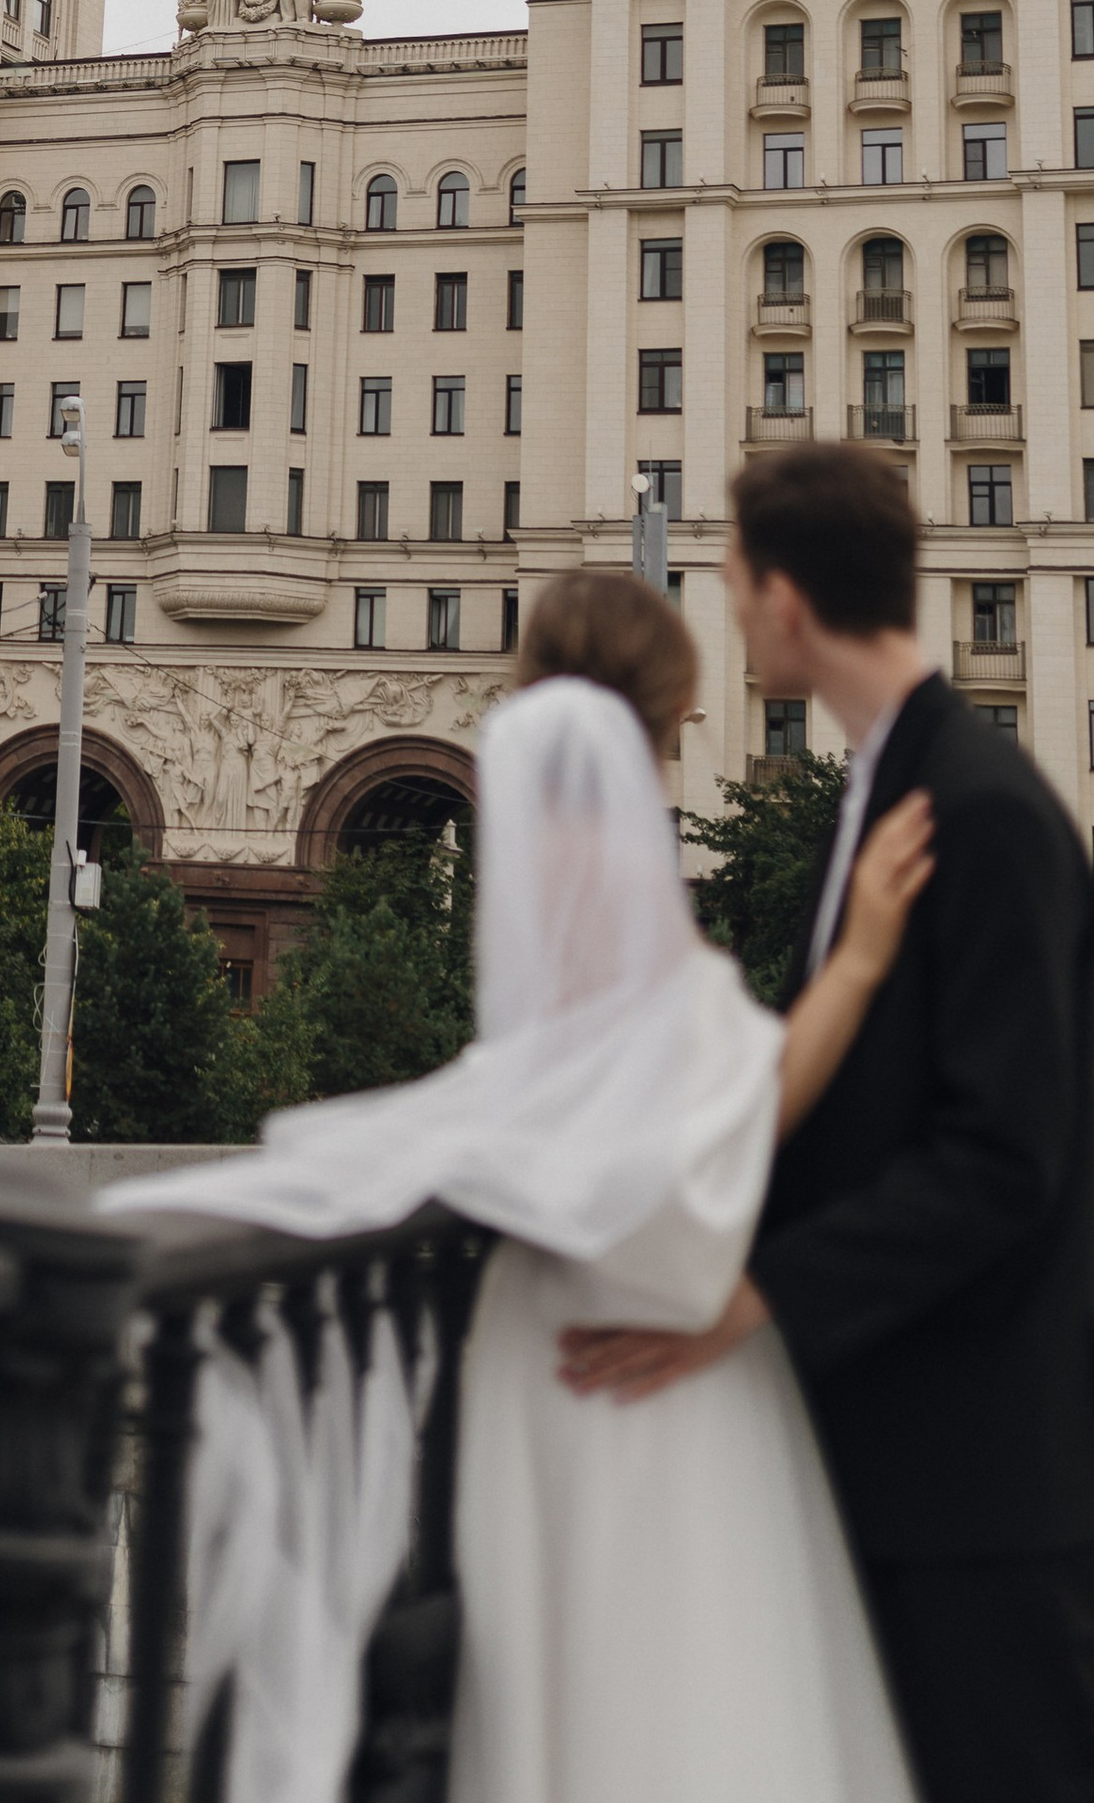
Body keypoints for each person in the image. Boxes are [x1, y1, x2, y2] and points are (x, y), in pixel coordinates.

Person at [119, 570, 931, 1803]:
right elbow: (722, 1119)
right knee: (685, 1694)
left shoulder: (544, 858)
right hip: (645, 1363)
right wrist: (862, 960)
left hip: (542, 1347)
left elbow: (570, 1085)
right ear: (657, 710)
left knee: (564, 1704)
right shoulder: (619, 886)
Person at [557, 445, 1094, 1803]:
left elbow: (1003, 1160)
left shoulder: (983, 812)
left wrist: (753, 1298)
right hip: (899, 1451)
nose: (728, 608)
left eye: (734, 580)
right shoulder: (892, 792)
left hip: (976, 1480)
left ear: (787, 600)